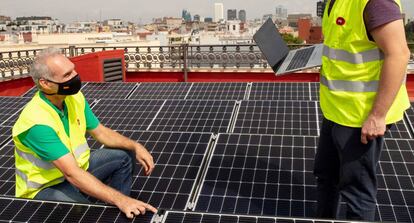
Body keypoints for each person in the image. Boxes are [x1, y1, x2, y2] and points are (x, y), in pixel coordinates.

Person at [12, 47, 157, 218]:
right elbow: (71, 173)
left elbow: (101, 132)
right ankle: (113, 205)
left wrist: (135, 146)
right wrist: (120, 200)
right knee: (88, 213)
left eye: (73, 69)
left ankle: (117, 213)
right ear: (45, 83)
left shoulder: (73, 98)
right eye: (67, 75)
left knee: (124, 156)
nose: (75, 76)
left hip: (77, 171)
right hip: (46, 187)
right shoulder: (36, 122)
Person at [314, 0, 411, 221]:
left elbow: (399, 54)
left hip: (361, 117)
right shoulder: (335, 2)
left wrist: (377, 116)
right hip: (336, 110)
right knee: (326, 176)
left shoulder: (374, 2)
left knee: (356, 192)